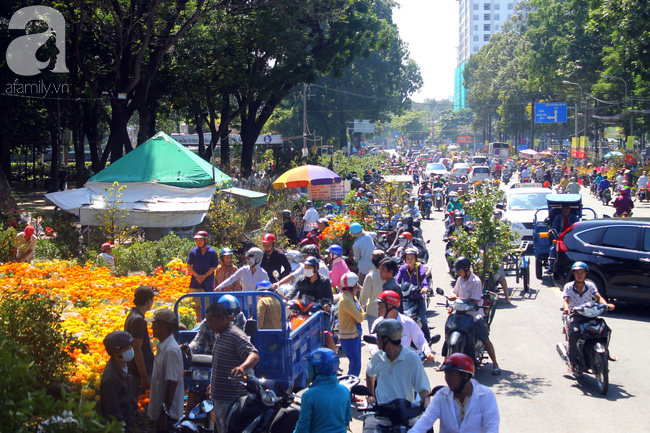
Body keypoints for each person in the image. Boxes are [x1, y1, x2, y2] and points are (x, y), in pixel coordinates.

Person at [364, 319, 430, 433]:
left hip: (406, 416)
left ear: (386, 340)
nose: (376, 341)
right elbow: (369, 373)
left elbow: (423, 387)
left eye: (378, 337)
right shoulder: (378, 357)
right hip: (382, 417)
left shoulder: (412, 359)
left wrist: (426, 401)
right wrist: (370, 394)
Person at [409, 353, 500, 433]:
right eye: (446, 373)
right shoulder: (441, 396)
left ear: (465, 376)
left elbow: (491, 428)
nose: (447, 378)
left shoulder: (486, 396)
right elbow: (424, 422)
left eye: (451, 374)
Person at [206, 303, 260, 433]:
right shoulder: (219, 335)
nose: (209, 325)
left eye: (211, 321)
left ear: (223, 319)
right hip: (220, 398)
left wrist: (242, 367)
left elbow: (254, 355)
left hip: (231, 400)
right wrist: (212, 384)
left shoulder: (235, 335)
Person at [449, 257, 501, 375]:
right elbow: (454, 292)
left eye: (460, 271)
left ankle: (495, 364)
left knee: (484, 337)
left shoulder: (476, 281)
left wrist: (457, 298)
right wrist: (452, 299)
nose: (458, 273)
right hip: (460, 312)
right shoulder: (460, 279)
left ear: (467, 269)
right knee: (449, 329)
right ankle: (445, 360)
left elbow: (474, 300)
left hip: (474, 314)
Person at [562, 262, 615, 371]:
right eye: (577, 273)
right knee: (574, 333)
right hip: (576, 316)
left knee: (604, 329)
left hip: (590, 315)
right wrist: (567, 308)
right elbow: (565, 300)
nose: (579, 275)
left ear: (586, 273)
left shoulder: (590, 285)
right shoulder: (568, 287)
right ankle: (571, 361)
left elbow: (598, 297)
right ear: (574, 274)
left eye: (582, 272)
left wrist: (606, 305)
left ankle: (606, 353)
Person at [293, 348, 351, 433]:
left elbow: (302, 428)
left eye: (309, 367)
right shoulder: (345, 391)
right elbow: (346, 420)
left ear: (317, 369)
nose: (308, 371)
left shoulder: (309, 396)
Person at [146, 308, 184, 432]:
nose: (152, 328)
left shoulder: (170, 350)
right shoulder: (163, 347)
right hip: (161, 413)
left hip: (168, 416)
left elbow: (172, 383)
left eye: (154, 325)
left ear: (162, 326)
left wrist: (165, 413)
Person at [371, 290, 435, 362]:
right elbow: (373, 342)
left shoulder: (408, 322)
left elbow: (420, 340)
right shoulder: (377, 323)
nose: (378, 309)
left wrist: (427, 352)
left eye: (381, 306)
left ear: (390, 306)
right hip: (384, 365)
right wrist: (374, 353)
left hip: (405, 364)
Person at [98, 331, 136, 432]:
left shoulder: (123, 366)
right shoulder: (111, 378)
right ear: (116, 352)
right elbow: (113, 411)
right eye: (127, 347)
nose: (131, 349)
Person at [124, 285, 157, 399]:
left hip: (135, 370)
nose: (152, 303)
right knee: (142, 404)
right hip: (139, 373)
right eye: (152, 300)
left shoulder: (133, 315)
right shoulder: (138, 320)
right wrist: (144, 376)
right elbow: (137, 349)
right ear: (148, 301)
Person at [396, 248, 431, 341]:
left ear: (415, 258)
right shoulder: (403, 268)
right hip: (405, 298)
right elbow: (397, 280)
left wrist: (424, 287)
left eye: (412, 258)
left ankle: (428, 340)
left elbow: (423, 278)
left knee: (423, 319)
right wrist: (394, 287)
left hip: (417, 297)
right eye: (408, 258)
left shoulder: (420, 267)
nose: (410, 260)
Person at [187, 231, 219, 321]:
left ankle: (208, 322)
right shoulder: (193, 252)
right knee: (196, 304)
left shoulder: (212, 252)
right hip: (195, 281)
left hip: (208, 282)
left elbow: (214, 266)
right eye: (197, 240)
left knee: (208, 305)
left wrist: (204, 276)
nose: (199, 242)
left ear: (206, 240)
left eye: (201, 240)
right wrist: (197, 276)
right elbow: (189, 265)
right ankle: (199, 322)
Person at [338, 272, 365, 377]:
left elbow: (361, 311)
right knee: (355, 365)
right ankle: (350, 389)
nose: (357, 287)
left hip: (355, 335)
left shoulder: (352, 297)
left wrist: (359, 316)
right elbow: (361, 317)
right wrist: (359, 316)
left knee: (355, 364)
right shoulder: (346, 300)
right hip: (349, 338)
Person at [359, 250, 387, 330]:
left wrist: (361, 307)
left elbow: (364, 296)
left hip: (373, 312)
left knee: (374, 337)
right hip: (386, 311)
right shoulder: (388, 274)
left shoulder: (370, 276)